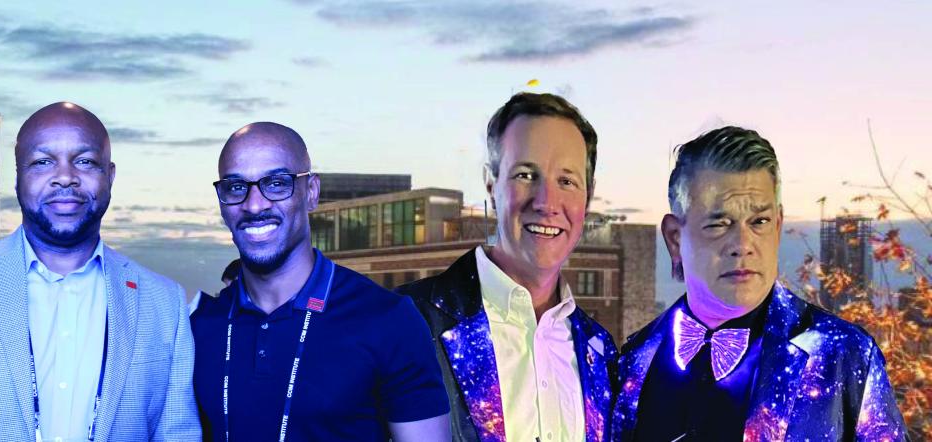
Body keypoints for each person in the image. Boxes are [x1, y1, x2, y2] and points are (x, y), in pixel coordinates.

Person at [0, 102, 201, 441]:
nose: (65, 177)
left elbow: (178, 434)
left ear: (110, 176)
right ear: (18, 176)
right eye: (43, 162)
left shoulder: (163, 303)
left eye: (85, 161)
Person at [613, 126, 906, 440]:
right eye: (719, 223)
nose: (742, 243)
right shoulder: (633, 357)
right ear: (674, 238)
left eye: (759, 222)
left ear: (778, 227)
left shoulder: (844, 352)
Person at [191, 122, 450, 441]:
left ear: (311, 192)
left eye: (276, 183)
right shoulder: (197, 327)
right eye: (235, 187)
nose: (254, 204)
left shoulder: (389, 320)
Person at [394, 93, 617, 441]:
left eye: (567, 181)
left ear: (588, 196)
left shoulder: (600, 351)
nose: (546, 202)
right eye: (526, 174)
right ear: (490, 183)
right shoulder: (404, 323)